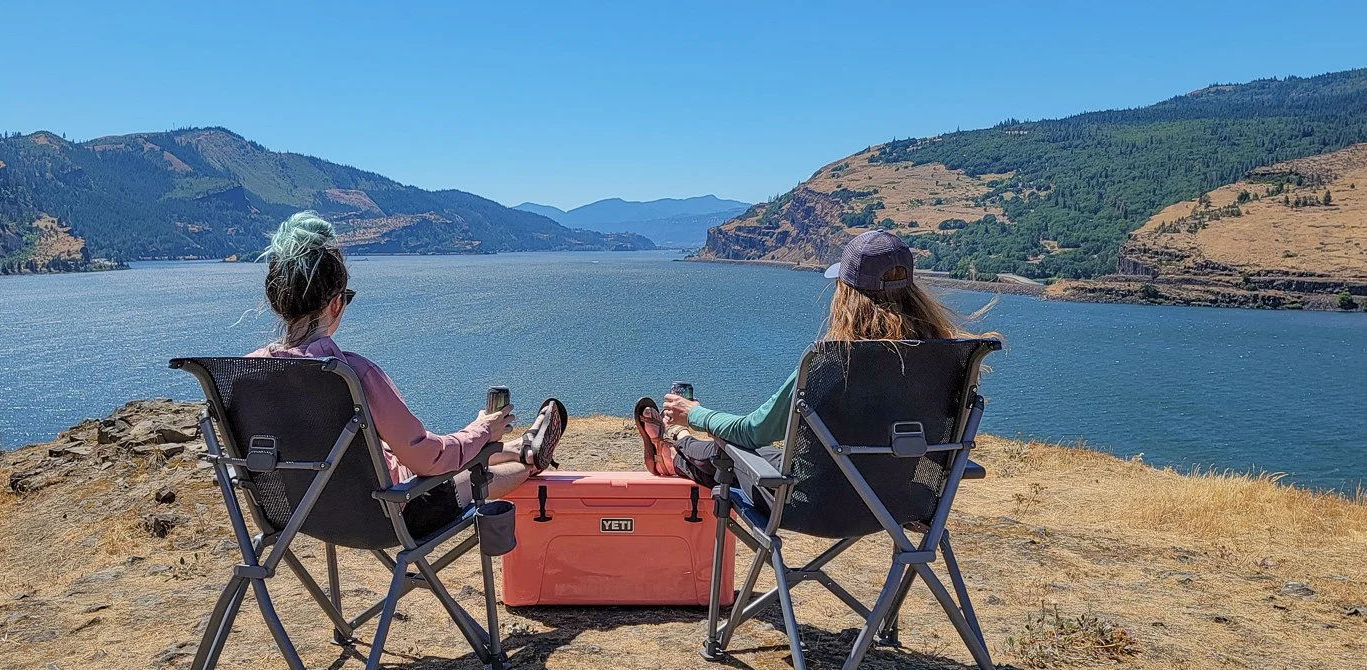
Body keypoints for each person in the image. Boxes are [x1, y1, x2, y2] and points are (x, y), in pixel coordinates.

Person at [248, 212, 562, 537]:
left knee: (424, 461)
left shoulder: (248, 372)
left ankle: (520, 446)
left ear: (276, 301)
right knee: (471, 476)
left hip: (298, 517)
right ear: (336, 303)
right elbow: (431, 459)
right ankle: (530, 461)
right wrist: (481, 429)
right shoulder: (350, 375)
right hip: (387, 516)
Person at [634, 229, 993, 489]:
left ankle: (675, 443)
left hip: (813, 504)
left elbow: (754, 430)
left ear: (846, 294)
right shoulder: (946, 360)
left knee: (727, 450)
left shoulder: (831, 362)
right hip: (903, 501)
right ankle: (675, 443)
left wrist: (693, 413)